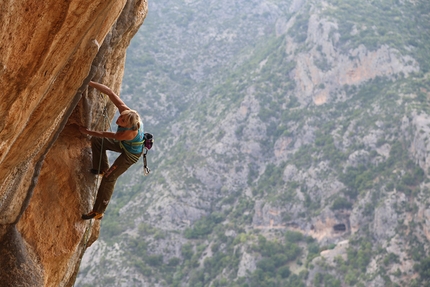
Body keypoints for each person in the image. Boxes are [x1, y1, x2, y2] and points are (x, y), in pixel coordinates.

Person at [79, 81, 144, 220]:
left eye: (122, 121)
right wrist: (89, 81)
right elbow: (109, 92)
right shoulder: (127, 112)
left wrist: (87, 131)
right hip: (124, 145)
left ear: (128, 125)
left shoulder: (127, 133)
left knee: (109, 178)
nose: (119, 119)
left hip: (130, 155)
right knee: (97, 141)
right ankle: (100, 168)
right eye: (120, 116)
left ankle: (98, 212)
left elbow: (106, 134)